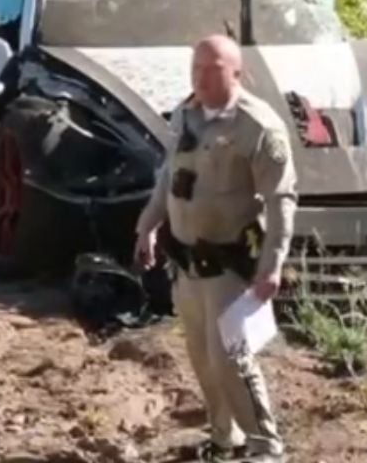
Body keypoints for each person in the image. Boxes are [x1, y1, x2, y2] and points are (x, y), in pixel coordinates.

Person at [133, 34, 297, 462]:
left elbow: (281, 201)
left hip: (229, 264)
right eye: (196, 69)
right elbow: (169, 176)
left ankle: (265, 447)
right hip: (187, 265)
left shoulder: (257, 127)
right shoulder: (185, 115)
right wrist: (147, 227)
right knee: (203, 361)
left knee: (231, 360)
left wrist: (271, 267)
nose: (202, 78)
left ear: (237, 73)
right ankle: (225, 441)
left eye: (213, 70)